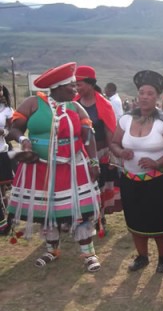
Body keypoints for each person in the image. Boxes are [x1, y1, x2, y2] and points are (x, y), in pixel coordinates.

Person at [6, 62, 102, 272]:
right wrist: (23, 140)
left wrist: (94, 162)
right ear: (59, 87)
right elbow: (12, 130)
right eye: (72, 87)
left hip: (73, 167)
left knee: (80, 211)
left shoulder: (75, 107)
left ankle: (88, 253)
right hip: (39, 168)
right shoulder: (33, 103)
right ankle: (52, 249)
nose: (76, 90)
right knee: (47, 210)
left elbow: (89, 135)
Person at [110, 69, 163, 274]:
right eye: (142, 92)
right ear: (137, 95)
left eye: (150, 93)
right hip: (130, 179)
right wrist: (121, 151)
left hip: (159, 181)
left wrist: (157, 162)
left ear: (157, 97)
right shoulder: (125, 119)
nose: (145, 97)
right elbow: (114, 143)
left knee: (158, 219)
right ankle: (141, 256)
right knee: (134, 217)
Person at [74, 66, 117, 228]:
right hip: (78, 154)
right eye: (75, 84)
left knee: (99, 185)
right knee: (80, 186)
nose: (77, 88)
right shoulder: (73, 103)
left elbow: (110, 131)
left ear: (91, 84)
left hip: (100, 153)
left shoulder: (104, 105)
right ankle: (83, 217)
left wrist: (113, 156)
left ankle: (100, 217)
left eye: (80, 84)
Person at [0, 84, 14, 234]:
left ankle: (6, 223)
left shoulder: (7, 110)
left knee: (2, 190)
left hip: (1, 152)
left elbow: (13, 129)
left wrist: (3, 131)